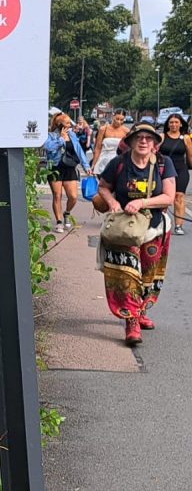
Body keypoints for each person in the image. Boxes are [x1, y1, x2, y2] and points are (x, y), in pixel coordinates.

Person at [94, 122, 176, 346]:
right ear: (130, 142)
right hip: (125, 229)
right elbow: (102, 186)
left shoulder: (163, 164)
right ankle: (131, 321)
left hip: (154, 227)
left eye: (148, 138)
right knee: (127, 274)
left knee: (148, 273)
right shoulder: (119, 163)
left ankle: (140, 311)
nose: (143, 141)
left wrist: (142, 202)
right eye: (138, 137)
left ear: (154, 144)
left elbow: (169, 196)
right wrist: (112, 202)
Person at [43, 113, 91, 233]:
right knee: (57, 195)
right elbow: (48, 147)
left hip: (69, 168)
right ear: (60, 125)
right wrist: (61, 139)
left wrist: (86, 166)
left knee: (73, 196)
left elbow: (78, 150)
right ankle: (59, 222)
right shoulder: (50, 135)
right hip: (55, 167)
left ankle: (67, 213)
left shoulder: (72, 135)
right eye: (68, 123)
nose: (70, 125)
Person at [158, 114, 192, 235]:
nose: (174, 125)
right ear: (168, 124)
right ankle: (162, 223)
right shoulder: (162, 137)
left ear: (181, 124)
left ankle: (178, 225)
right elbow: (154, 152)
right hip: (164, 170)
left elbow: (190, 156)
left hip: (180, 169)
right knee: (164, 197)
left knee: (179, 197)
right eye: (171, 122)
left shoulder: (186, 138)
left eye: (176, 122)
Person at [91, 109, 129, 175]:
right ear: (113, 116)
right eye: (117, 119)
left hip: (119, 162)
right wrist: (93, 164)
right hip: (103, 162)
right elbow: (98, 148)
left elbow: (128, 149)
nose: (119, 122)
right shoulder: (103, 129)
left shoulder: (126, 131)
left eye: (121, 120)